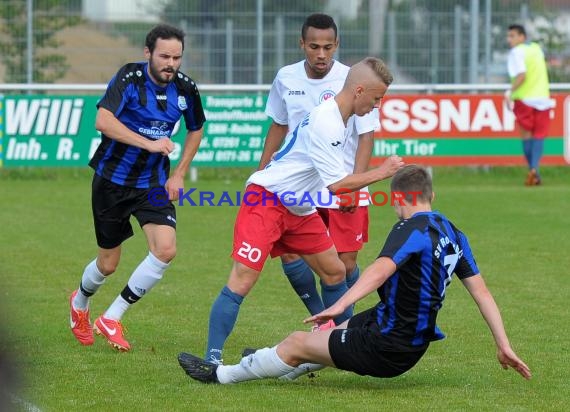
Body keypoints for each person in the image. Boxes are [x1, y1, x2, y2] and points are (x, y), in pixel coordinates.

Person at [178, 164, 532, 384]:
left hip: (390, 345)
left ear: (399, 198)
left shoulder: (410, 228)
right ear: (431, 194)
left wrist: (340, 303)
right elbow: (483, 294)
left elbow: (379, 269)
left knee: (295, 341)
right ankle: (282, 365)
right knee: (330, 334)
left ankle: (221, 376)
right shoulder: (455, 232)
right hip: (405, 333)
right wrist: (504, 345)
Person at [202, 57, 403, 365]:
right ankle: (212, 359)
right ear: (359, 90)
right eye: (376, 99)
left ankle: (342, 346)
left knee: (335, 271)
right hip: (267, 199)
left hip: (297, 206)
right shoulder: (328, 121)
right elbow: (337, 185)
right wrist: (382, 171)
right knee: (242, 279)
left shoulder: (339, 117)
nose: (377, 106)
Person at [69, 24, 206, 351]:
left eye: (177, 57)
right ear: (148, 53)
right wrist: (148, 143)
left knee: (166, 249)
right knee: (108, 264)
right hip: (112, 180)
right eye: (164, 56)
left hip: (152, 183)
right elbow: (103, 121)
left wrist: (179, 174)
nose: (171, 63)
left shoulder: (186, 89)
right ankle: (80, 304)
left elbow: (196, 129)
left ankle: (113, 317)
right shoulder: (129, 79)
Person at [251, 13, 380, 332]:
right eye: (313, 47)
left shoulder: (352, 78)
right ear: (302, 44)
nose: (321, 54)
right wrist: (263, 168)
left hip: (342, 182)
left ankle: (339, 328)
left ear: (336, 45)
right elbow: (279, 124)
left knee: (344, 264)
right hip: (298, 183)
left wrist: (354, 187)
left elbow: (366, 135)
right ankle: (327, 324)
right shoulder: (286, 77)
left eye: (327, 47)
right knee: (291, 255)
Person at [505, 24, 553, 186]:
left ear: (522, 37)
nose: (509, 40)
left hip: (524, 98)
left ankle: (533, 170)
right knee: (539, 134)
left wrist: (509, 92)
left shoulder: (516, 52)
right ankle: (535, 170)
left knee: (526, 135)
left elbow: (521, 75)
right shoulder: (536, 48)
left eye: (512, 36)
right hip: (543, 97)